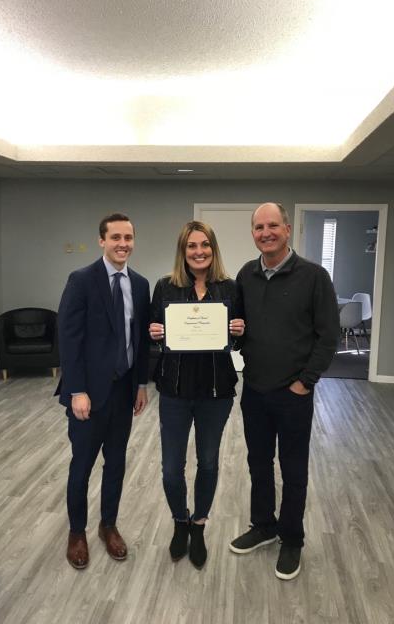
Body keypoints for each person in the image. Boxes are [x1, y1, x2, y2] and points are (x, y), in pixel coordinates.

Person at [229, 202, 339, 581]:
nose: (266, 233)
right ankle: (263, 525)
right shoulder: (245, 275)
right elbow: (239, 329)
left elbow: (329, 336)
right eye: (259, 227)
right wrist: (233, 334)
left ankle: (291, 538)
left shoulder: (314, 276)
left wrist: (305, 382)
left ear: (287, 229)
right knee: (258, 463)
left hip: (294, 394)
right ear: (253, 233)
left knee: (293, 470)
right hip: (254, 390)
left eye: (273, 225)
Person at [56, 213, 150, 569]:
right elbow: (69, 338)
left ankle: (108, 525)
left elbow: (139, 341)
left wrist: (141, 383)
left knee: (116, 464)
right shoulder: (81, 280)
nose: (123, 244)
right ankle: (76, 532)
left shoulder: (139, 284)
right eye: (115, 237)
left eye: (128, 237)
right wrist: (77, 389)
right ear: (102, 240)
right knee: (81, 466)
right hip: (88, 395)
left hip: (124, 392)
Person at [149, 221, 244, 569]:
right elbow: (153, 336)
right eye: (192, 246)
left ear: (213, 249)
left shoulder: (230, 288)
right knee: (171, 469)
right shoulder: (165, 287)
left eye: (205, 245)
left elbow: (239, 341)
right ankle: (180, 521)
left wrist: (239, 330)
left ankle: (199, 525)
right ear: (183, 251)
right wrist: (154, 333)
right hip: (174, 392)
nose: (199, 251)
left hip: (215, 394)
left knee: (208, 463)